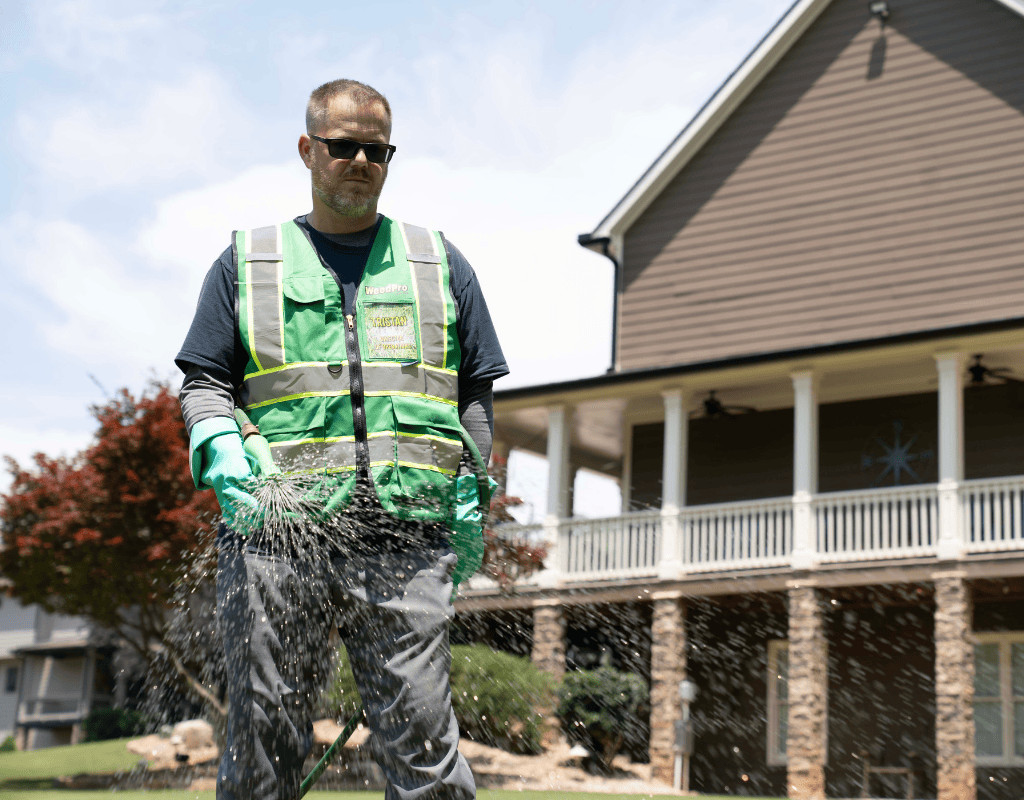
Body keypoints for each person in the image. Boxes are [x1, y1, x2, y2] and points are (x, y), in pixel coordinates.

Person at [175, 78, 508, 800]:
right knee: (265, 738)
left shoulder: (439, 263)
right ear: (308, 150)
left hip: (408, 536)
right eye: (344, 146)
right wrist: (221, 449)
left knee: (423, 739)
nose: (361, 160)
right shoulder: (247, 263)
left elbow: (473, 391)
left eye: (377, 150)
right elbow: (204, 382)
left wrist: (474, 487)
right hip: (277, 535)